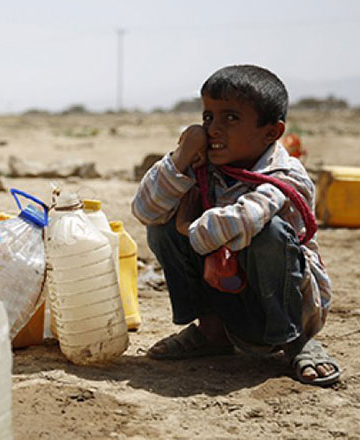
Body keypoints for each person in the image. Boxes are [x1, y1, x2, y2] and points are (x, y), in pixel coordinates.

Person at [131, 65, 341, 386]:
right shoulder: (207, 168)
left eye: (230, 118)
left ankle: (295, 341)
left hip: (286, 305)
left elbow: (243, 220)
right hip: (231, 299)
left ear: (271, 132)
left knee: (268, 232)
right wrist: (182, 155)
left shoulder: (286, 176)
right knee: (162, 226)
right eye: (208, 117)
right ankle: (212, 332)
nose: (213, 129)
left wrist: (188, 226)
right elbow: (145, 210)